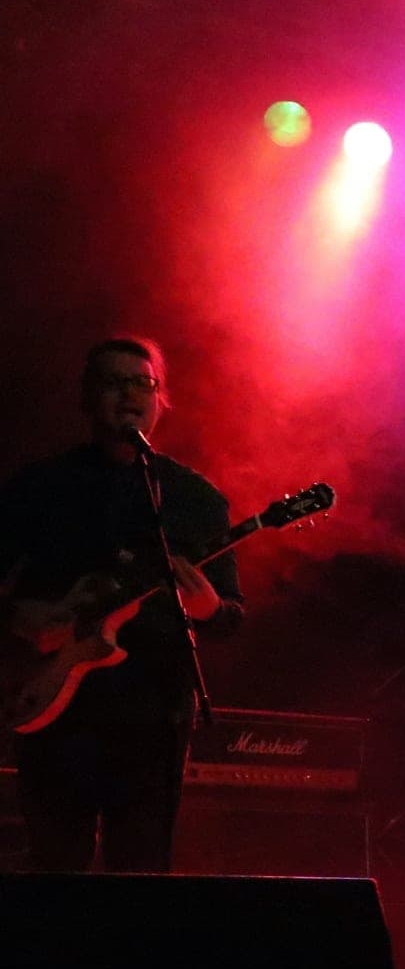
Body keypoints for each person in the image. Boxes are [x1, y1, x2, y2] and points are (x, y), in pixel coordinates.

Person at [0, 336, 243, 872]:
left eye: (142, 383)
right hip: (53, 707)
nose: (129, 394)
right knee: (54, 870)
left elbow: (230, 615)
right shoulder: (41, 486)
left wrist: (206, 606)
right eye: (113, 382)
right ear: (88, 397)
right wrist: (20, 619)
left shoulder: (195, 499)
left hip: (152, 714)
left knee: (140, 876)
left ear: (160, 399)